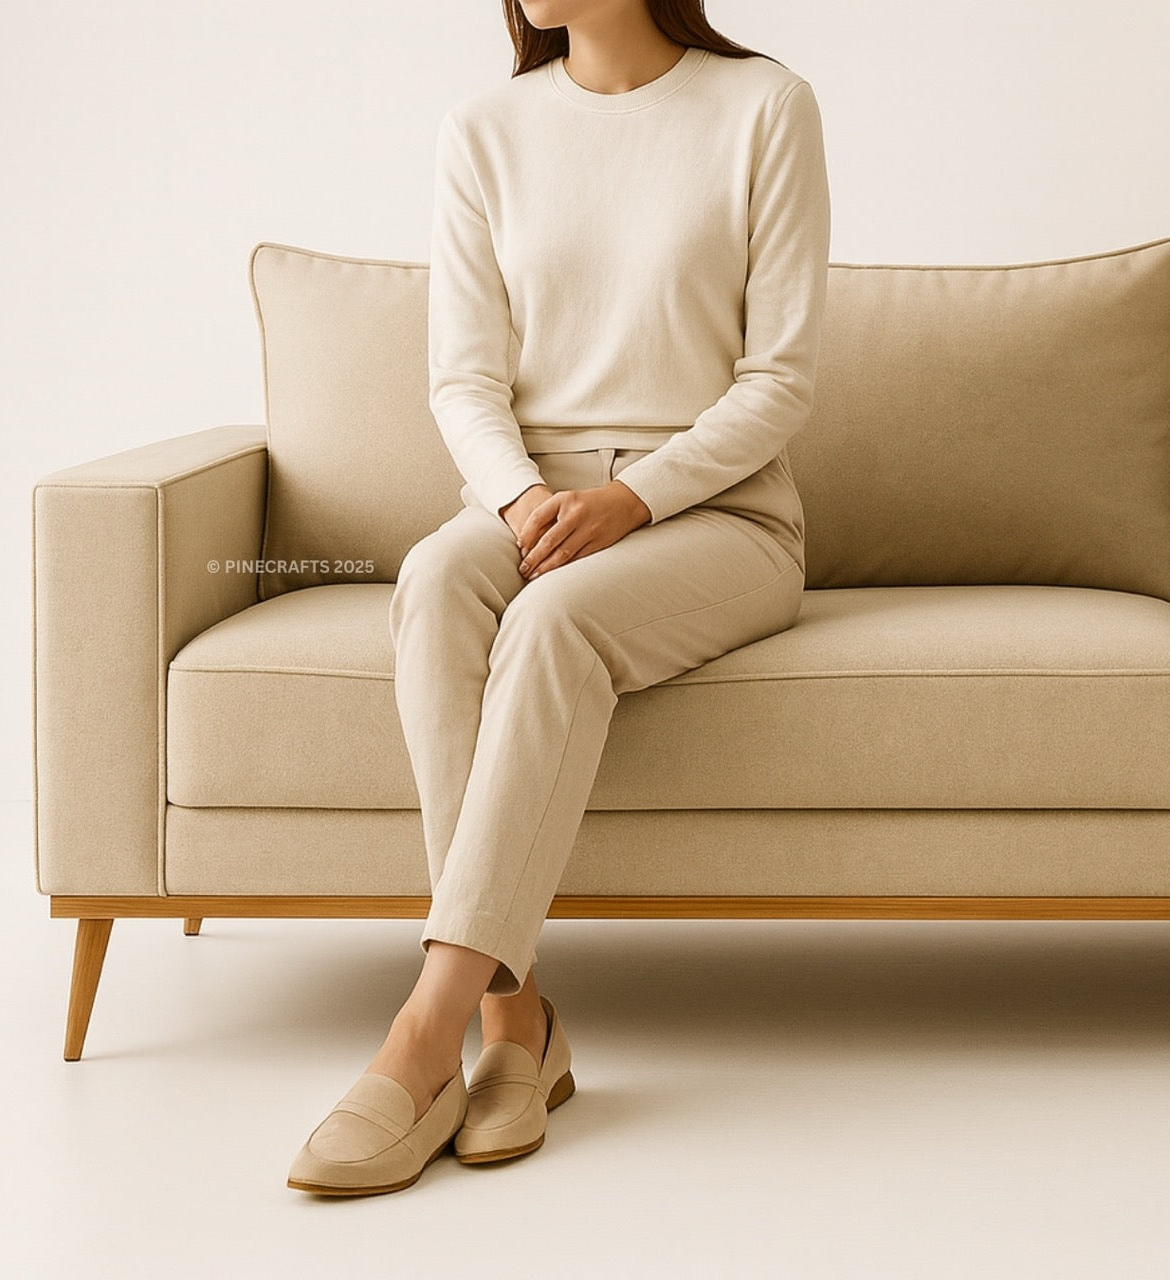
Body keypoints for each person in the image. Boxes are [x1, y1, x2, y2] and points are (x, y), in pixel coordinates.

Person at [287, 0, 830, 1196]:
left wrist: (632, 502)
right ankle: (516, 1020)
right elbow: (462, 376)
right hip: (527, 495)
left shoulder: (762, 109)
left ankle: (424, 1033)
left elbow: (778, 379)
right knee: (434, 580)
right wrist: (522, 496)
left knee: (553, 617)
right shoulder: (485, 128)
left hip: (718, 512)